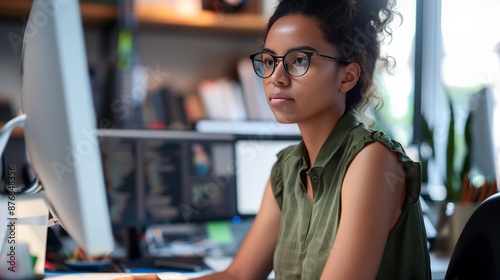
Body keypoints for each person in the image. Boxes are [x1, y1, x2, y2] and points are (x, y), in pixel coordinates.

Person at [121, 0, 431, 279]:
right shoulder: (287, 169)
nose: (276, 78)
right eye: (270, 61)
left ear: (347, 76)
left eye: (298, 60)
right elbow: (239, 275)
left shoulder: (371, 160)